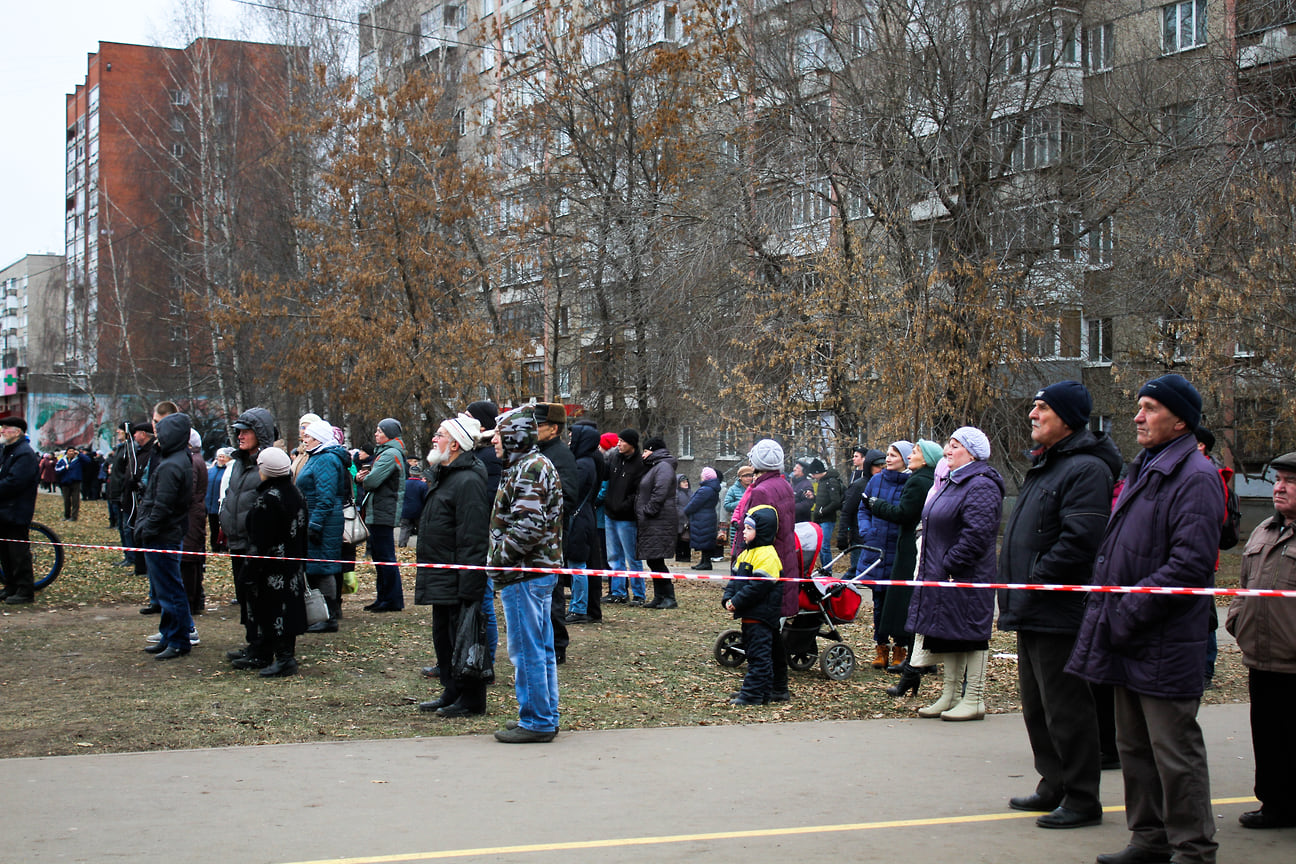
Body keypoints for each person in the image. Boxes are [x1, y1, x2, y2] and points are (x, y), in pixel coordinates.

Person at [1067, 373, 1223, 864]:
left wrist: (1129, 608)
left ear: (1181, 420)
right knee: (1134, 748)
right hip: (1128, 634)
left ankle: (1193, 849)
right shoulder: (1147, 468)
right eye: (1139, 407)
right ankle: (1149, 838)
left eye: (1151, 408)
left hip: (1164, 637)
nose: (1138, 416)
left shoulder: (1195, 476)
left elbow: (1190, 565)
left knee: (1174, 753)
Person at [997, 381, 1122, 830]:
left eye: (1042, 408)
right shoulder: (1047, 465)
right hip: (1031, 606)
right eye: (1032, 406)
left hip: (1058, 608)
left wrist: (1036, 580)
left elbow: (1082, 540)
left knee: (1067, 707)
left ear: (1067, 418)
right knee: (1037, 705)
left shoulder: (1085, 469)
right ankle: (1053, 783)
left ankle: (1083, 797)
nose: (1032, 414)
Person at [907, 426, 1005, 722]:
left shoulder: (981, 484)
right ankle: (950, 695)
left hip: (966, 575)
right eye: (948, 445)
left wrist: (950, 563)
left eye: (955, 445)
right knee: (948, 631)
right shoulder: (955, 480)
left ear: (972, 453)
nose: (947, 450)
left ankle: (974, 698)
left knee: (972, 634)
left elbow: (977, 534)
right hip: (945, 573)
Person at [1225, 450, 1296, 830]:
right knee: (1269, 738)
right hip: (1262, 658)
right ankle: (1275, 805)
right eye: (1278, 480)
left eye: (1290, 481)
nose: (1279, 488)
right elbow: (1244, 586)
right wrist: (1238, 620)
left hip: (1294, 660)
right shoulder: (1263, 531)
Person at [488, 406, 563, 743]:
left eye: (499, 434)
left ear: (514, 435)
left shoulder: (529, 468)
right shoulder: (528, 465)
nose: (493, 440)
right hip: (535, 571)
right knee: (541, 648)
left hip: (524, 574)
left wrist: (498, 561)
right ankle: (545, 714)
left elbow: (528, 527)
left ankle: (536, 721)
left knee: (527, 650)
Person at [415, 413, 491, 717]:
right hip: (441, 573)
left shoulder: (469, 481)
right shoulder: (446, 475)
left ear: (456, 445)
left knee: (463, 638)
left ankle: (471, 699)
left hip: (457, 577)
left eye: (440, 435)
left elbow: (472, 537)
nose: (434, 439)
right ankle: (452, 690)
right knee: (443, 637)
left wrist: (469, 583)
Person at [730, 439, 800, 702]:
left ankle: (759, 689)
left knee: (760, 635)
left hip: (764, 565)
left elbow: (755, 531)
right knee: (771, 631)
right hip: (782, 561)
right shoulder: (784, 485)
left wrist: (741, 562)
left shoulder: (760, 492)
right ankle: (777, 687)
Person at [235, 447, 309, 677]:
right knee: (283, 610)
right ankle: (265, 653)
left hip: (271, 570)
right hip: (292, 565)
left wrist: (249, 571)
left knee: (273, 612)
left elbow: (259, 539)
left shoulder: (267, 500)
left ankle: (284, 659)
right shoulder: (296, 493)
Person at [876, 439, 942, 693]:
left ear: (925, 458)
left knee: (910, 602)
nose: (910, 455)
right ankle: (918, 661)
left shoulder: (919, 481)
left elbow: (904, 513)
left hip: (912, 548)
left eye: (915, 452)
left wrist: (876, 505)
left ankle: (917, 662)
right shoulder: (921, 478)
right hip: (911, 545)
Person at [136, 412, 196, 661]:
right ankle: (169, 634)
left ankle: (179, 639)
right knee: (166, 589)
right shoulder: (174, 459)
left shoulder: (173, 464)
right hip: (164, 532)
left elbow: (163, 505)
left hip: (163, 534)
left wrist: (147, 529)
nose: (157, 438)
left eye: (161, 433)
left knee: (170, 590)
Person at [220, 407, 276, 663]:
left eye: (246, 431)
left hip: (257, 546)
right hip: (238, 542)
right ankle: (253, 643)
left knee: (260, 598)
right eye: (238, 431)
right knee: (244, 597)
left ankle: (263, 649)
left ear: (260, 434)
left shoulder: (269, 464)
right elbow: (232, 497)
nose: (240, 436)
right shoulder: (239, 463)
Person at [857, 441, 913, 670]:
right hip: (876, 548)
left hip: (899, 550)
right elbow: (863, 508)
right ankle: (881, 647)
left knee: (900, 602)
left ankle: (901, 648)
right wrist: (867, 531)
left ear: (906, 459)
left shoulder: (912, 483)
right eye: (887, 455)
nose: (887, 459)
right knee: (878, 601)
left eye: (893, 455)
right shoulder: (876, 480)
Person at [723, 505, 783, 705]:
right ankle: (766, 691)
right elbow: (734, 580)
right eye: (744, 529)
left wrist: (737, 601)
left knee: (759, 656)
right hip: (750, 613)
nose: (744, 533)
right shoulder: (745, 554)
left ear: (762, 531)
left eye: (749, 529)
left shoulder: (767, 555)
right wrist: (728, 599)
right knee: (758, 653)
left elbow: (758, 587)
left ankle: (752, 694)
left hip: (761, 614)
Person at [295, 418, 350, 632]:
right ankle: (319, 614)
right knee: (318, 566)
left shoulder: (326, 459)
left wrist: (315, 523)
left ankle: (328, 617)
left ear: (319, 438)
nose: (304, 439)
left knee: (324, 566)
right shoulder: (318, 457)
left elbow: (325, 497)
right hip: (318, 518)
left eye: (308, 436)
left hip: (323, 520)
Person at [358, 418, 406, 612]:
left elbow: (372, 482)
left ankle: (392, 599)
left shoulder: (390, 454)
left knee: (385, 556)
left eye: (379, 431)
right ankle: (383, 597)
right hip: (379, 509)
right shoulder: (386, 453)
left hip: (383, 511)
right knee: (379, 555)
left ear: (389, 434)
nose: (376, 434)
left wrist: (364, 479)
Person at [563, 422, 602, 624]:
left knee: (577, 563)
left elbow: (572, 491)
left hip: (579, 519)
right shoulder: (586, 462)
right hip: (582, 516)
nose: (569, 441)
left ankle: (578, 608)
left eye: (573, 438)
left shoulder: (583, 464)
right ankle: (577, 606)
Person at [602, 429, 647, 605]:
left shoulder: (640, 465)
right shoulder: (614, 458)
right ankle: (618, 591)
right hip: (610, 514)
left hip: (627, 518)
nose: (619, 444)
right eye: (618, 441)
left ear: (632, 443)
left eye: (622, 441)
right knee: (614, 556)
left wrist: (623, 506)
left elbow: (638, 493)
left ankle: (639, 594)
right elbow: (605, 478)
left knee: (632, 558)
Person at [636, 435, 680, 609]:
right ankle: (659, 596)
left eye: (645, 451)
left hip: (659, 520)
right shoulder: (655, 466)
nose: (643, 455)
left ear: (653, 451)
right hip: (655, 520)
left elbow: (659, 492)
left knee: (657, 560)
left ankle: (669, 597)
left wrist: (649, 510)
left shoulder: (663, 467)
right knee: (653, 560)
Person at [0, 416, 40, 605]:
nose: (2, 431)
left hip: (16, 511)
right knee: (5, 553)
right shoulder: (9, 451)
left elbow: (15, 482)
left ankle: (25, 589)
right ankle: (11, 586)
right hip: (4, 511)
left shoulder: (24, 453)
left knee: (18, 552)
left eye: (5, 428)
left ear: (17, 431)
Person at [181, 428, 209, 615]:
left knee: (188, 560)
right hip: (196, 513)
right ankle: (196, 598)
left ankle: (190, 601)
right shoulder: (197, 459)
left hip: (190, 515)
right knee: (193, 559)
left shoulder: (191, 461)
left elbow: (187, 492)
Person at [685, 467, 722, 570]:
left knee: (704, 540)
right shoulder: (711, 489)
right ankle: (704, 561)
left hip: (702, 518)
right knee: (705, 540)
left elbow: (694, 503)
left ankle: (706, 562)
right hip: (707, 516)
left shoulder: (705, 490)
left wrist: (686, 510)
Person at [810, 459, 844, 570]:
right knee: (820, 546)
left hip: (827, 519)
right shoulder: (822, 482)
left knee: (824, 546)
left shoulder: (831, 481)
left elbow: (835, 502)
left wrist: (822, 511)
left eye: (814, 474)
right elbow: (823, 500)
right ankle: (824, 568)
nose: (813, 477)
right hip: (820, 519)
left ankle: (828, 570)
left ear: (818, 471)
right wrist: (813, 498)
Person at [206, 448, 232, 553]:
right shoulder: (211, 471)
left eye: (223, 457)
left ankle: (224, 546)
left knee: (224, 527)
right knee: (213, 528)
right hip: (211, 504)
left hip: (222, 504)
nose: (221, 459)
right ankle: (214, 546)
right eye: (219, 457)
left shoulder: (228, 472)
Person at [56, 446, 90, 521]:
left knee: (75, 500)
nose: (71, 453)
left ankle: (74, 516)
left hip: (75, 482)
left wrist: (79, 454)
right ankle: (67, 515)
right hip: (65, 482)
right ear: (67, 452)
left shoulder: (78, 460)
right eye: (69, 451)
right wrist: (65, 468)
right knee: (66, 500)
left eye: (72, 451)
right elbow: (57, 470)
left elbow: (88, 460)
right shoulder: (62, 460)